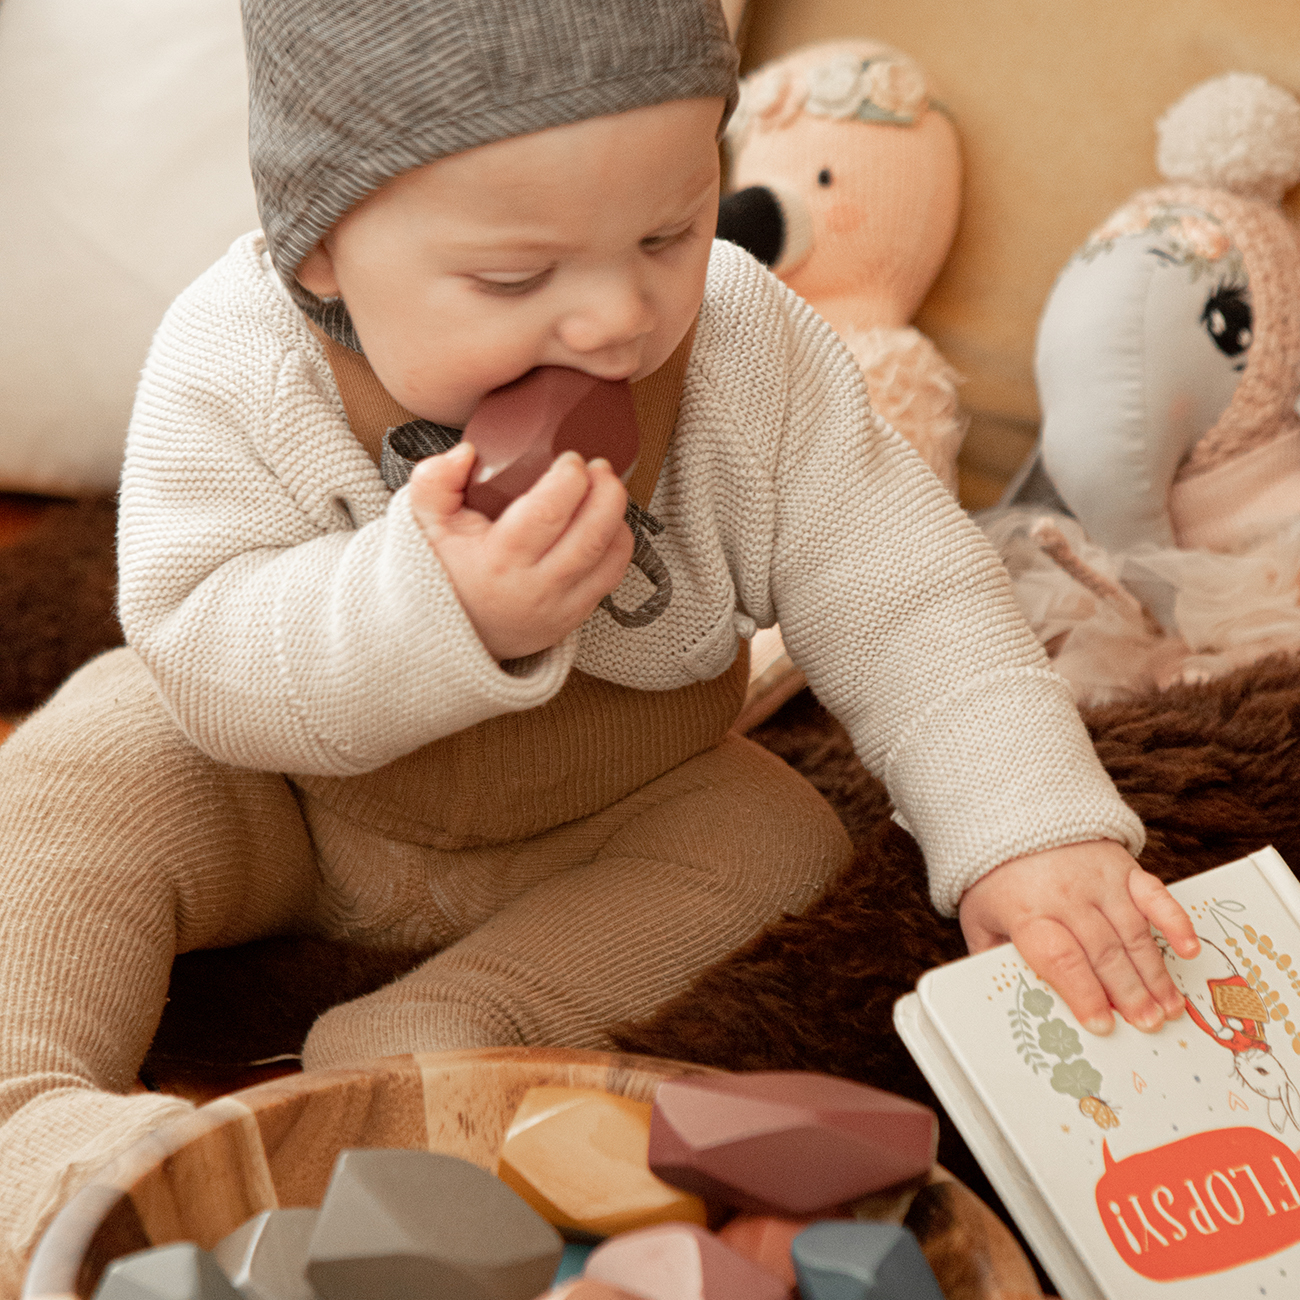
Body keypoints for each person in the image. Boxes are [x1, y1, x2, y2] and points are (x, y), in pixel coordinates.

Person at [0, 0, 1198, 1288]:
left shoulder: (748, 351)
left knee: (782, 839)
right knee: (86, 762)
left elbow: (911, 596)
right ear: (321, 252)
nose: (618, 318)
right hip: (281, 792)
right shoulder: (236, 362)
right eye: (517, 279)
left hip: (611, 802)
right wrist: (428, 611)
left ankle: (431, 1055)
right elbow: (208, 651)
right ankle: (36, 1116)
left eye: (670, 230)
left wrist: (1031, 827)